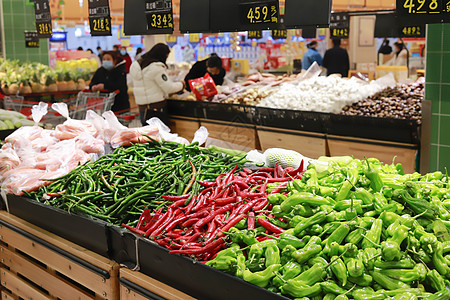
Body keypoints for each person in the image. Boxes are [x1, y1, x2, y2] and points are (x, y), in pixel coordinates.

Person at [130, 43, 184, 125]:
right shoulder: (155, 67)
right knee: (161, 135)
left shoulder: (136, 65)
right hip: (156, 108)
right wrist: (182, 84)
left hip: (142, 109)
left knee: (148, 135)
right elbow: (169, 88)